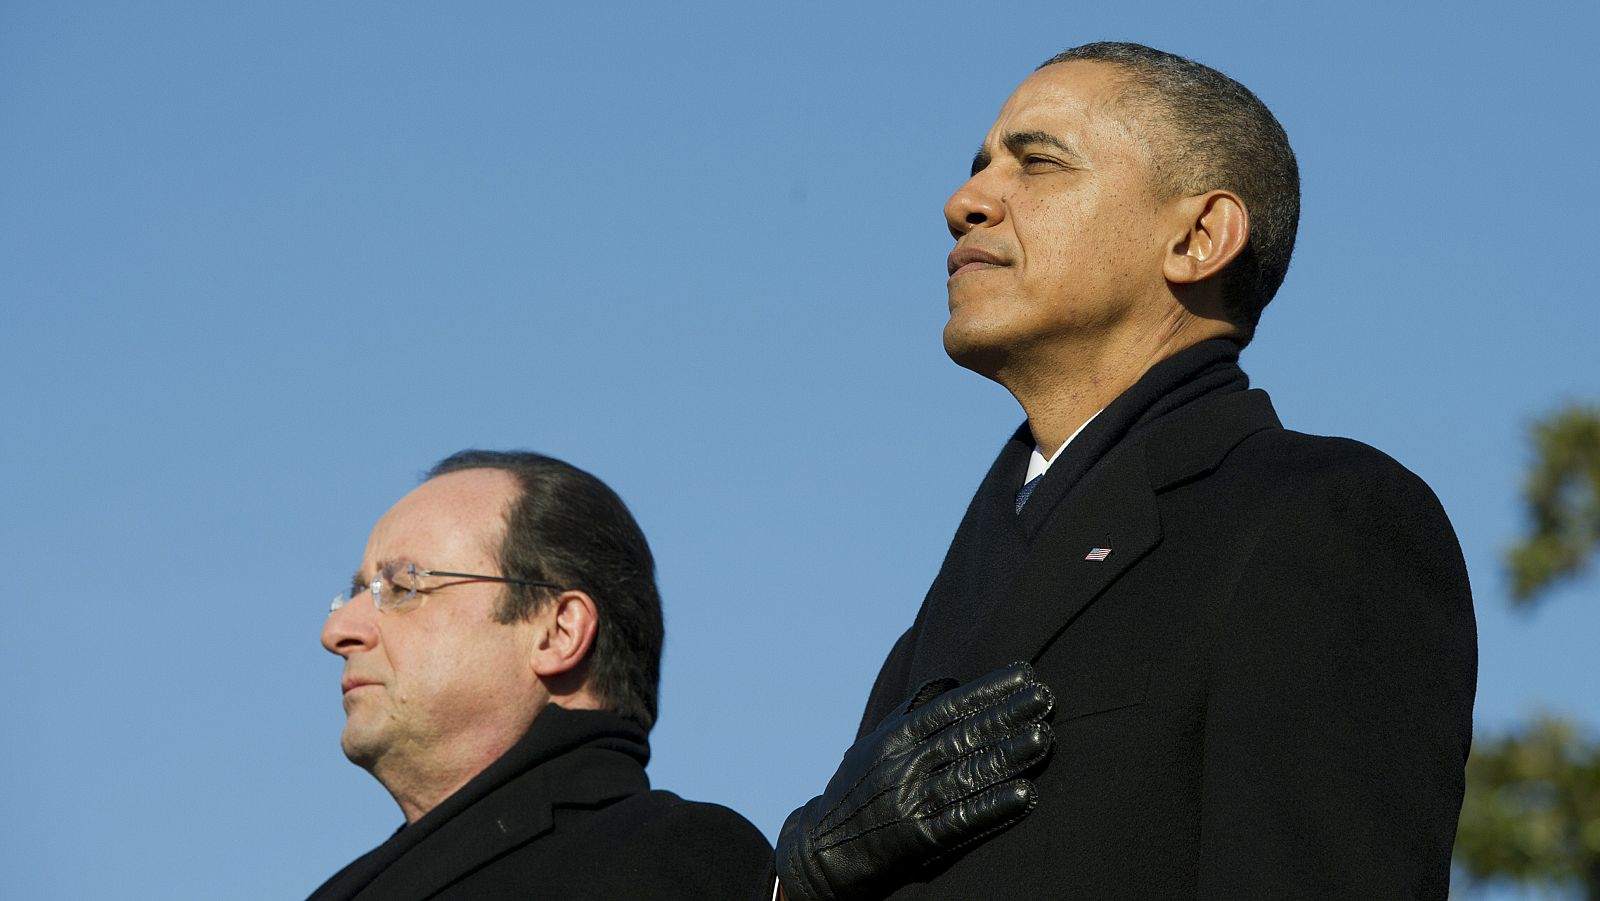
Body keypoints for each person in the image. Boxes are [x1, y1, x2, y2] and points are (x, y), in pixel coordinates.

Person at [777, 42, 1477, 900]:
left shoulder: (1321, 519)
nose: (965, 202)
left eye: (1037, 163)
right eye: (977, 168)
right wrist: (806, 871)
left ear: (1197, 236)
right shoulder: (931, 625)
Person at [310, 450, 773, 901]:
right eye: (354, 593)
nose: (338, 630)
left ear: (558, 632)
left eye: (402, 587)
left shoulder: (671, 858)